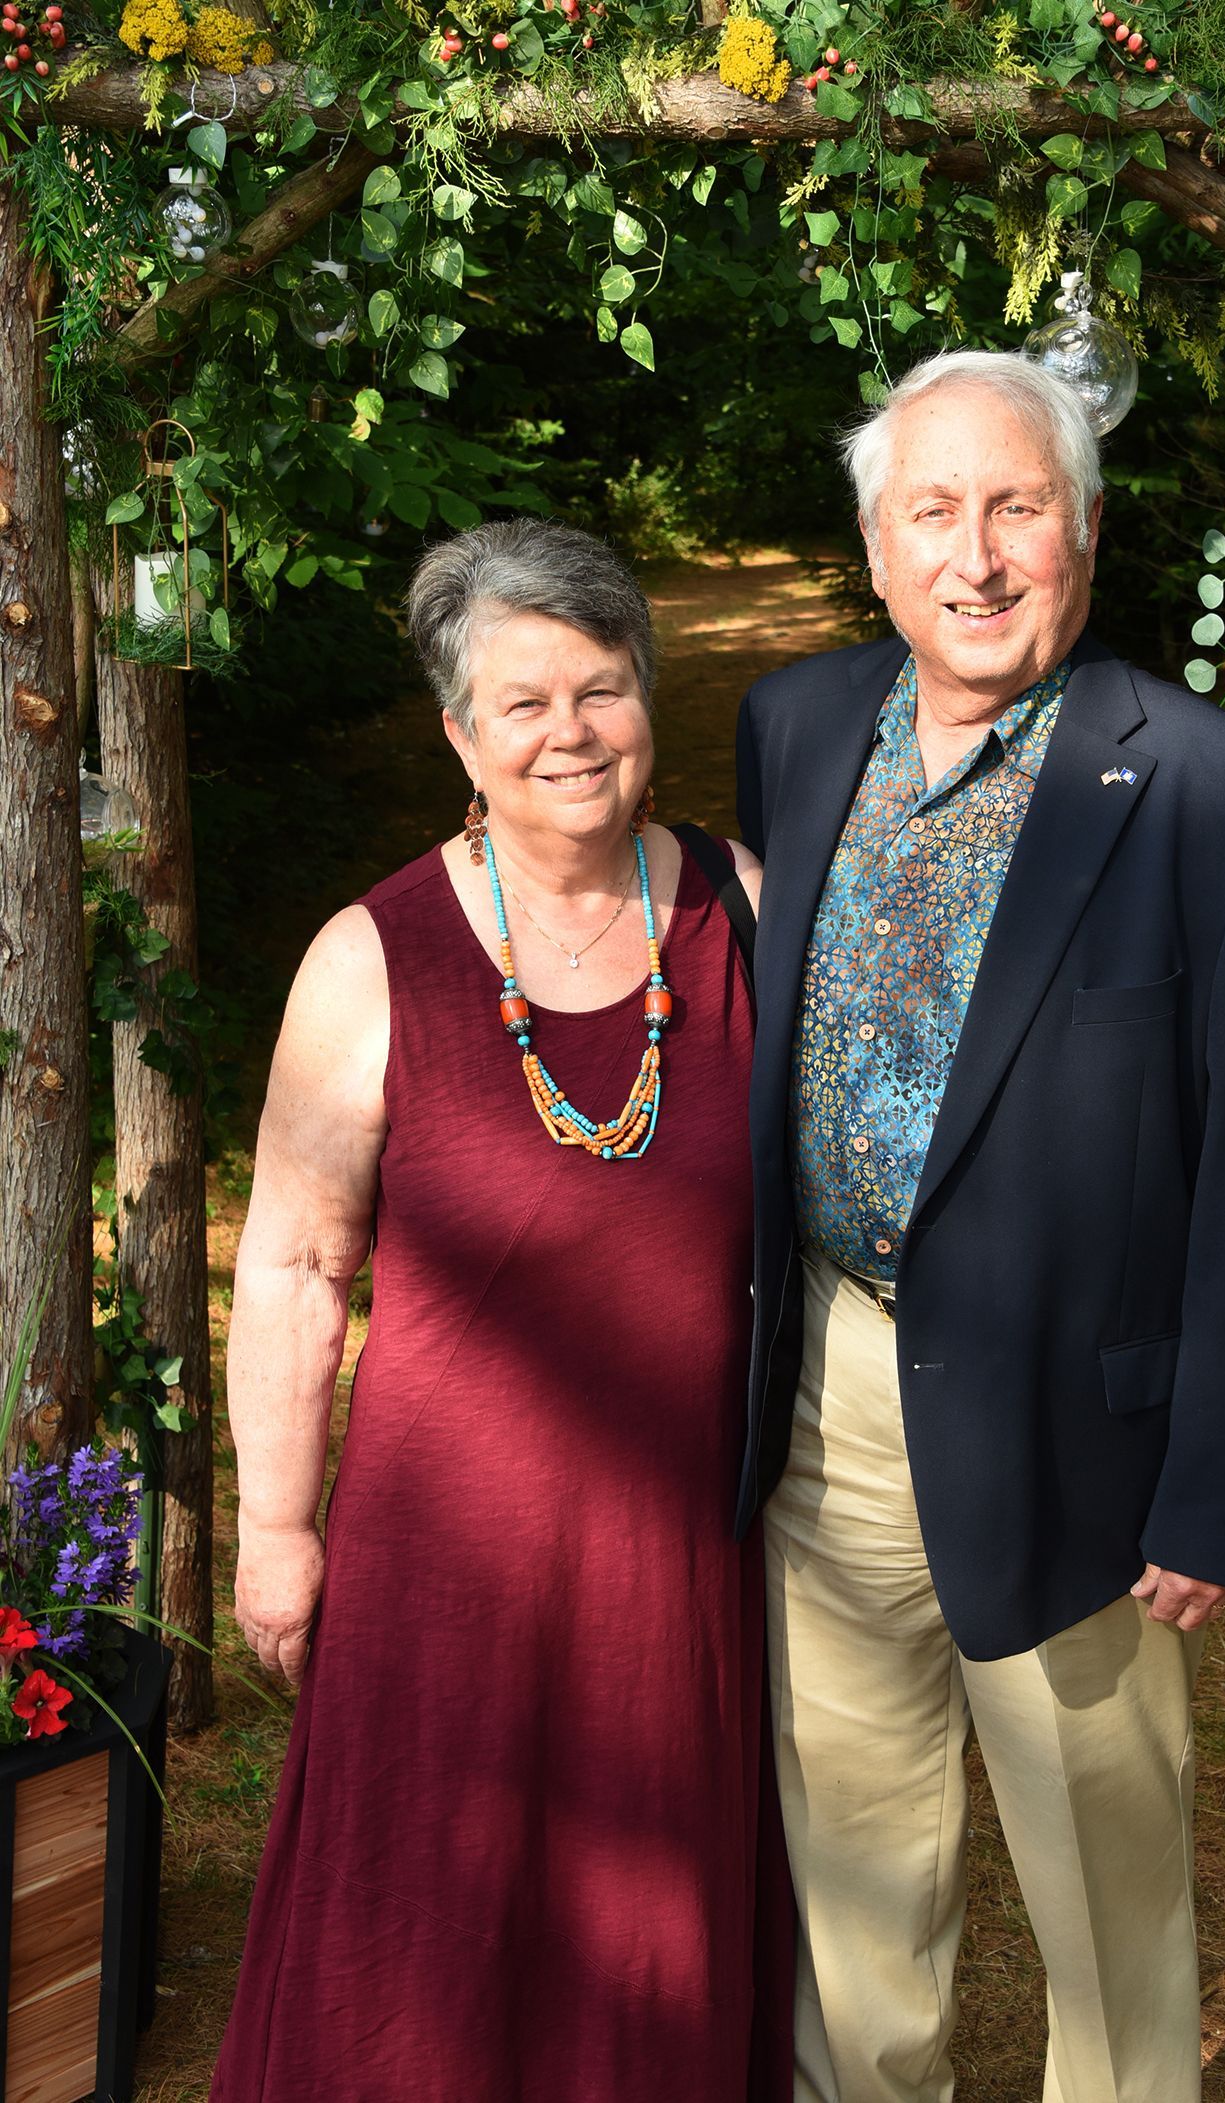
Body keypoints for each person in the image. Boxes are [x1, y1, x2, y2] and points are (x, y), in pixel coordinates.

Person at [733, 349, 1225, 2103]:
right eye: (934, 511)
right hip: (832, 1404)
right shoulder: (794, 732)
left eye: (1018, 507)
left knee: (1107, 1904)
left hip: (1086, 1439)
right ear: (876, 547)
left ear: (1082, 534)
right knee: (853, 1881)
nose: (979, 555)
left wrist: (1220, 1481)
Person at [212, 518, 791, 2101]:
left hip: (678, 1559)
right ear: (461, 733)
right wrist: (276, 1528)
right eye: (521, 703)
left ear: (648, 700)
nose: (570, 734)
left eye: (600, 689)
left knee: (645, 1923)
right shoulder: (369, 958)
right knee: (429, 1933)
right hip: (444, 1563)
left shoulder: (740, 910)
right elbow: (292, 1259)